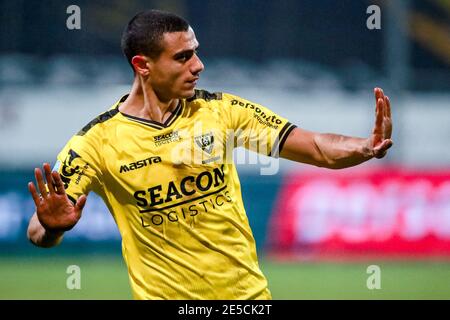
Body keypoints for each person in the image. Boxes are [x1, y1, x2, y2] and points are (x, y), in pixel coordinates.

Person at [26, 10, 393, 300]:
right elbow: (39, 229)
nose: (198, 65)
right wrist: (53, 228)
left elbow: (314, 147)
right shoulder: (95, 142)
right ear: (143, 65)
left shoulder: (221, 111)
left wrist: (364, 146)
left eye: (196, 52)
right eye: (183, 57)